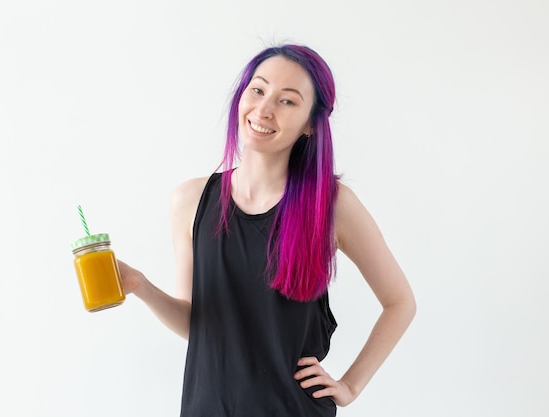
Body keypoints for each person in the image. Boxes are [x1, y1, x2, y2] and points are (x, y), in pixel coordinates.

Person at [117, 44, 416, 416]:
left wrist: (351, 384)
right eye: (257, 90)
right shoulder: (190, 200)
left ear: (310, 123)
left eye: (287, 101)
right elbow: (198, 327)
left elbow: (400, 302)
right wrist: (141, 286)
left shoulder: (333, 206)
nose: (264, 109)